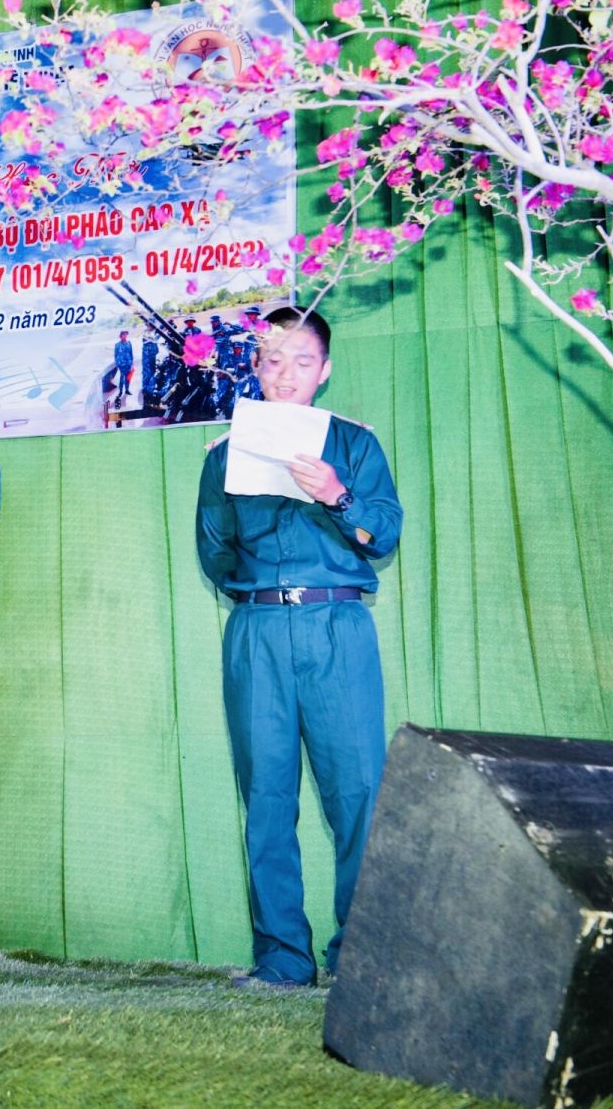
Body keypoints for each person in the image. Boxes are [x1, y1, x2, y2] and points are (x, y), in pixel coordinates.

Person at [195, 306, 402, 989]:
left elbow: (384, 533)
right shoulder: (224, 455)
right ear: (256, 367)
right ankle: (281, 957)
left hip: (337, 626)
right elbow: (215, 549)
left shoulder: (355, 444)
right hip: (257, 630)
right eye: (273, 360)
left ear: (325, 370)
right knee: (266, 793)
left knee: (359, 790)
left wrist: (337, 496)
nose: (286, 375)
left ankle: (361, 957)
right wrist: (264, 595)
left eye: (302, 361)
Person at [113, 330, 135, 405]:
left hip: (128, 364)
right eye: (123, 335)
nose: (125, 336)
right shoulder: (117, 345)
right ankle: (120, 391)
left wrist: (132, 363)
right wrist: (117, 364)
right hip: (121, 364)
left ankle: (127, 390)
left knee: (128, 378)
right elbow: (115, 355)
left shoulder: (129, 343)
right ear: (120, 336)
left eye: (126, 334)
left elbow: (131, 353)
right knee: (121, 378)